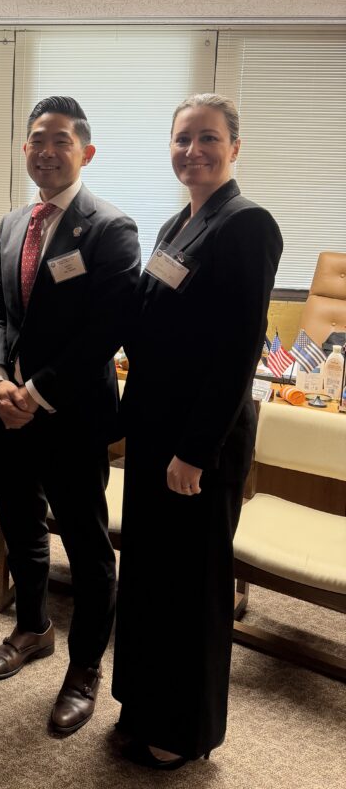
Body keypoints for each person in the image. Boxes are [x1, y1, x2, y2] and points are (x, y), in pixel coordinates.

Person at [112, 93, 283, 770]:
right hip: (156, 430)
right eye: (183, 138)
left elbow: (239, 350)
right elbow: (147, 322)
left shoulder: (247, 225)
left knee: (192, 584)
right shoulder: (174, 224)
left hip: (198, 441)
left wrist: (193, 451)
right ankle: (141, 705)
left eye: (208, 138)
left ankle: (184, 731)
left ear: (234, 147)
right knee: (150, 574)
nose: (194, 151)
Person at [0, 96, 140, 736]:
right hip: (3, 411)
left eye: (60, 141)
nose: (46, 151)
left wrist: (36, 393)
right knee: (21, 526)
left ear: (85, 152)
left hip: (70, 415)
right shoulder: (13, 222)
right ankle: (32, 627)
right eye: (37, 141)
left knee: (87, 544)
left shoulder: (111, 228)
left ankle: (84, 670)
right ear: (25, 149)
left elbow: (106, 330)